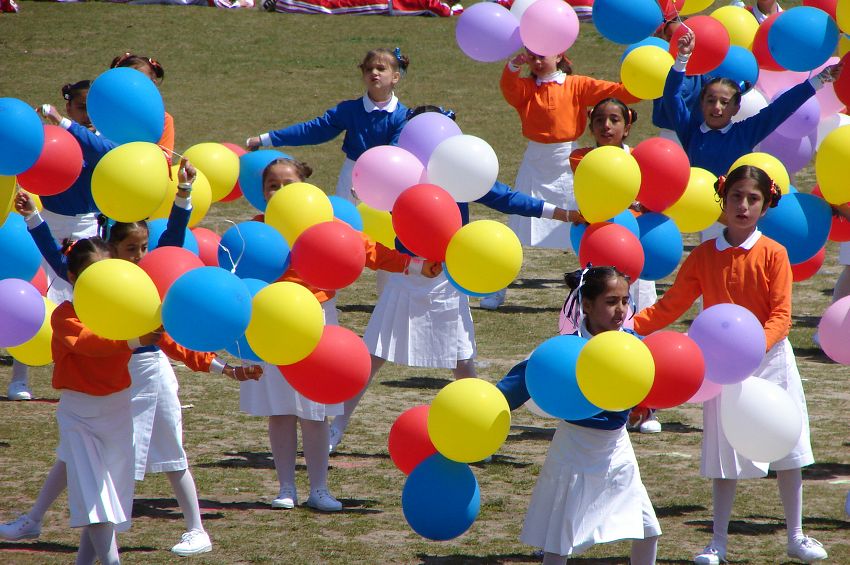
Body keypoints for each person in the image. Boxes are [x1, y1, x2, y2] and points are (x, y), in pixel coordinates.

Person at [1, 162, 263, 557]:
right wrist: (34, 216)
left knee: (167, 451)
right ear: (111, 251)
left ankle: (195, 528)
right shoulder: (88, 290)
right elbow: (60, 263)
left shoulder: (145, 287)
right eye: (132, 250)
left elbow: (172, 330)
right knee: (78, 459)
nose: (141, 256)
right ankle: (38, 518)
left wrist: (183, 195)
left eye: (144, 249)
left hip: (141, 379)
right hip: (104, 391)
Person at [328, 105, 580, 452]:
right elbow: (375, 194)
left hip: (447, 276)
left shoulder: (461, 174)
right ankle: (336, 428)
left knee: (462, 359)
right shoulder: (401, 175)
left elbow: (507, 198)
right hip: (408, 271)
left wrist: (562, 212)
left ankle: (476, 430)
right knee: (373, 354)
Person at [632, 165, 827, 564]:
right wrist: (629, 326)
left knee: (789, 449)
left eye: (752, 199)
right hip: (722, 370)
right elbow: (672, 305)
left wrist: (755, 347)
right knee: (725, 457)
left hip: (771, 362)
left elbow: (781, 316)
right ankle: (717, 542)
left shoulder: (775, 253)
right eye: (736, 196)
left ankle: (797, 535)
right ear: (724, 199)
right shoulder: (704, 255)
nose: (743, 205)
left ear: (765, 204)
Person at [238, 156, 438, 512]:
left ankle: (319, 490)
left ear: (308, 189)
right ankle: (286, 488)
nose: (281, 192)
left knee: (315, 411)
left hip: (317, 319)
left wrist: (416, 265)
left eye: (289, 184)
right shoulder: (256, 230)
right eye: (273, 186)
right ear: (263, 193)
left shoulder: (326, 226)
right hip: (270, 322)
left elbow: (370, 251)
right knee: (280, 410)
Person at [496, 265, 661, 565]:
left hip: (616, 447)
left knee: (647, 530)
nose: (621, 310)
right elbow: (516, 385)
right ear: (587, 305)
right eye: (611, 302)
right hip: (574, 449)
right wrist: (482, 410)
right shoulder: (566, 350)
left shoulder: (633, 346)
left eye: (625, 301)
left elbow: (657, 382)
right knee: (559, 541)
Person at [481, 48, 638, 310]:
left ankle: (592, 291)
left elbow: (621, 92)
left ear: (560, 55)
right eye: (532, 56)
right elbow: (509, 90)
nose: (538, 61)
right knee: (517, 227)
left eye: (544, 55)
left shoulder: (577, 84)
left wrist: (648, 83)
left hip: (571, 162)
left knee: (585, 226)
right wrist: (512, 66)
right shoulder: (526, 87)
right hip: (535, 161)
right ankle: (497, 289)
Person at [568, 98, 660, 434]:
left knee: (638, 334)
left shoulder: (641, 161)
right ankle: (595, 400)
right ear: (590, 126)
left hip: (633, 258)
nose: (607, 127)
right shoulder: (582, 158)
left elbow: (655, 202)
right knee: (596, 331)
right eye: (600, 120)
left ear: (628, 125)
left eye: (615, 120)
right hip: (598, 257)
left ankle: (643, 409)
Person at [7, 80, 98, 402]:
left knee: (84, 302)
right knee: (34, 295)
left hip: (89, 231)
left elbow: (107, 156)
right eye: (81, 108)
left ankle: (81, 371)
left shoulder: (96, 142)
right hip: (45, 224)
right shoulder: (50, 142)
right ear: (69, 105)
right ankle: (20, 376)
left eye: (93, 109)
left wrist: (65, 123)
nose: (88, 116)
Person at [663, 30, 842, 178]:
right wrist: (682, 57)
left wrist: (821, 79)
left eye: (724, 102)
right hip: (699, 209)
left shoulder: (745, 132)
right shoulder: (691, 131)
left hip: (734, 214)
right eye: (710, 100)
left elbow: (781, 108)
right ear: (702, 103)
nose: (717, 107)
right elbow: (672, 97)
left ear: (736, 108)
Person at [245, 48, 410, 202]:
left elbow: (393, 152)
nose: (374, 72)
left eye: (381, 69)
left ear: (395, 77)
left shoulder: (403, 116)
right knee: (347, 226)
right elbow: (313, 130)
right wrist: (266, 139)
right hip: (352, 176)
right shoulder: (349, 110)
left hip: (388, 178)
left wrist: (369, 183)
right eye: (369, 69)